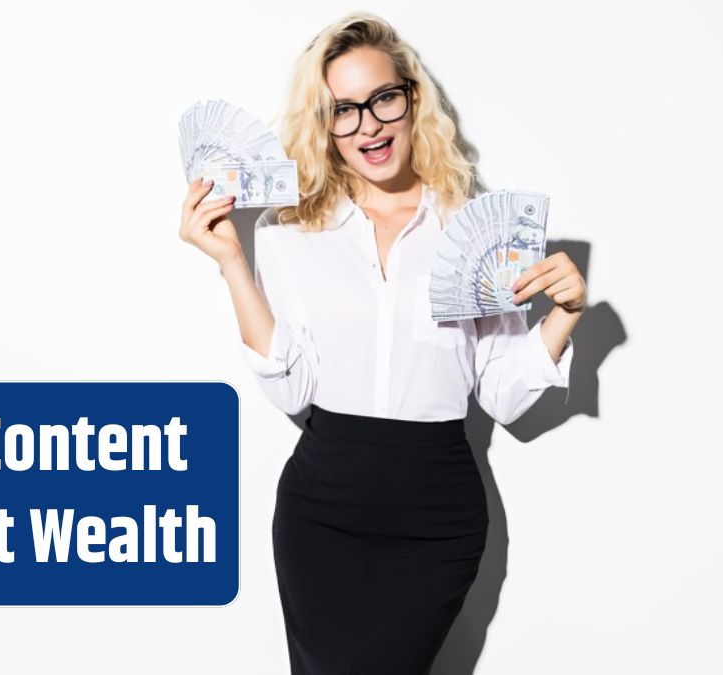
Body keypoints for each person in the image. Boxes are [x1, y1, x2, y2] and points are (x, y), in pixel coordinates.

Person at [179, 12, 587, 674]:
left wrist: (566, 311)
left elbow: (506, 398)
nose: (368, 123)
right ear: (326, 125)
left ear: (411, 100)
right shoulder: (292, 233)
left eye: (382, 99)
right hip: (321, 512)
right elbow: (291, 389)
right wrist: (232, 261)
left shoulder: (469, 228)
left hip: (437, 515)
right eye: (344, 110)